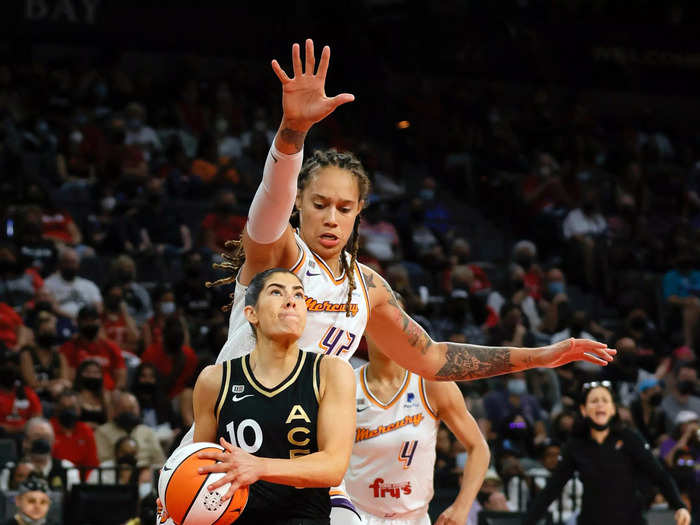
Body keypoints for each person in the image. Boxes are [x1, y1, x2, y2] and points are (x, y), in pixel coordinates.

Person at [185, 39, 614, 524]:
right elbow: (267, 206)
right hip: (235, 441)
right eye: (319, 204)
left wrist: (543, 356)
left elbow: (432, 358)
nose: (331, 217)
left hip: (309, 462)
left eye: (344, 208)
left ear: (358, 214)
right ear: (300, 204)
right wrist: (291, 134)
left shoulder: (367, 289)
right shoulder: (279, 256)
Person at [188, 268, 355, 525]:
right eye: (276, 291)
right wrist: (175, 491)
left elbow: (334, 465)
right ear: (251, 313)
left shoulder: (331, 372)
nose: (291, 300)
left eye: (298, 295)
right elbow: (199, 468)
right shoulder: (214, 380)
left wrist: (260, 467)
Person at [344, 332, 490, 524]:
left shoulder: (430, 384)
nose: (387, 329)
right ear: (366, 329)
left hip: (415, 518)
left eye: (394, 323)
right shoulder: (346, 384)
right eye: (380, 321)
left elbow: (478, 448)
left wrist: (461, 508)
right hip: (356, 515)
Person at [523, 381, 691, 525]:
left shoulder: (629, 438)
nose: (600, 404)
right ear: (583, 409)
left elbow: (659, 475)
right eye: (594, 401)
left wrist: (679, 506)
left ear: (612, 409)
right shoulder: (575, 445)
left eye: (605, 400)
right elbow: (552, 488)